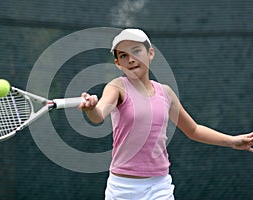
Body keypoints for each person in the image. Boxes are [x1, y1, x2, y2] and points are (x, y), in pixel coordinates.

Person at [78, 28, 253, 200]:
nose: (131, 59)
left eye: (136, 51)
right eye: (123, 55)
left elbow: (193, 130)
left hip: (159, 186)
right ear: (117, 63)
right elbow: (99, 114)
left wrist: (232, 141)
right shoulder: (117, 87)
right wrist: (91, 108)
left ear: (150, 53)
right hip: (122, 188)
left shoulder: (166, 93)